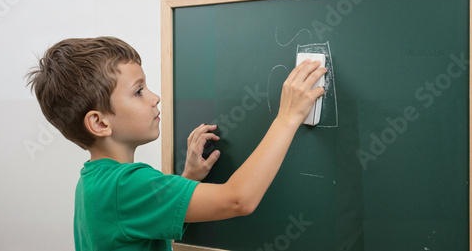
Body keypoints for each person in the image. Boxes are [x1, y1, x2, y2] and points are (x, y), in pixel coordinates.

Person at [26, 36, 326, 250]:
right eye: (139, 91)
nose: (155, 97)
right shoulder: (126, 185)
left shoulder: (94, 182)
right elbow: (239, 199)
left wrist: (189, 178)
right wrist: (287, 117)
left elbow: (142, 225)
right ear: (100, 123)